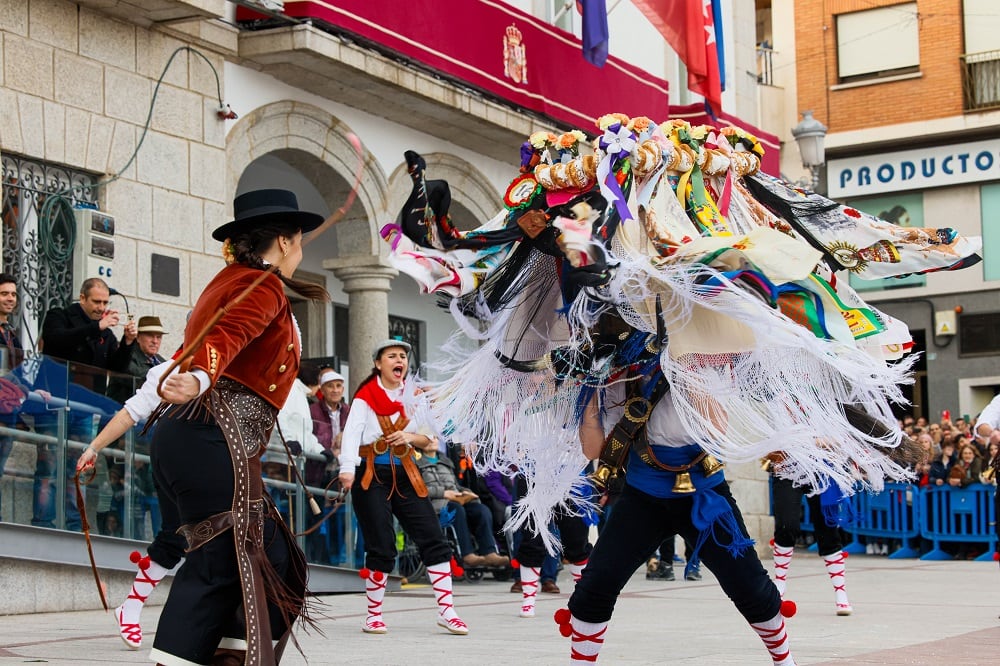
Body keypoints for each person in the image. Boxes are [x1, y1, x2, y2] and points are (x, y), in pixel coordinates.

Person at [146, 188, 328, 665]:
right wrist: (203, 375)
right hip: (210, 435)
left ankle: (231, 657)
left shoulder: (230, 279)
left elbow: (226, 332)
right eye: (302, 243)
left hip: (200, 438)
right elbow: (230, 333)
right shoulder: (260, 286)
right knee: (220, 564)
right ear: (286, 243)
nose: (301, 252)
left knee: (274, 562)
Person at [560, 378, 795, 665]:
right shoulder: (616, 372)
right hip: (642, 495)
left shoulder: (698, 355)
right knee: (595, 585)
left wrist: (685, 366)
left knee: (749, 585)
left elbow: (715, 432)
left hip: (703, 492)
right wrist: (589, 389)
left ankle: (785, 661)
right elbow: (594, 450)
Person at [338, 339, 469, 636]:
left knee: (434, 539)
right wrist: (347, 470)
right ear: (378, 364)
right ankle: (373, 615)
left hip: (407, 472)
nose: (400, 361)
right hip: (371, 474)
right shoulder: (364, 397)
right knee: (382, 545)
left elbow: (432, 441)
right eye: (392, 356)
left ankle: (448, 611)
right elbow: (351, 435)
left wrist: (409, 438)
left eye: (403, 357)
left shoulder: (416, 398)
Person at [76, 356, 189, 651]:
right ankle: (132, 608)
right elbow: (130, 413)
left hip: (216, 464)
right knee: (176, 536)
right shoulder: (169, 370)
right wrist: (93, 447)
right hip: (175, 460)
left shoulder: (231, 367)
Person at [33, 277, 137, 530]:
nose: (102, 307)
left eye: (105, 302)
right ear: (82, 299)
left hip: (84, 410)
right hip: (53, 403)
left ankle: (72, 522)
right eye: (96, 302)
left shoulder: (104, 332)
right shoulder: (60, 315)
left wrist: (127, 342)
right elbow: (57, 341)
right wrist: (97, 327)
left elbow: (116, 366)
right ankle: (43, 521)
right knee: (48, 466)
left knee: (75, 469)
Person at [768, 466, 853, 616]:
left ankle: (841, 591)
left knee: (828, 529)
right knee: (786, 525)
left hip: (819, 466)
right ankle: (780, 582)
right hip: (788, 466)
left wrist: (823, 441)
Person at [416, 438, 509, 569]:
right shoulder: (416, 464)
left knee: (481, 510)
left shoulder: (446, 461)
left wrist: (468, 493)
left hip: (456, 500)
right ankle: (467, 554)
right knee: (457, 509)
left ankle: (489, 552)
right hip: (436, 507)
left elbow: (456, 486)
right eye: (428, 438)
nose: (432, 440)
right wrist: (444, 493)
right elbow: (418, 489)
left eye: (435, 438)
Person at [307, 368, 349, 564]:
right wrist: (329, 449)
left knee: (339, 517)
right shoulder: (312, 410)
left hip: (341, 472)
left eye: (338, 386)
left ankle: (336, 558)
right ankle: (318, 560)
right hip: (318, 470)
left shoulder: (349, 411)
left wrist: (344, 441)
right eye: (330, 386)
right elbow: (310, 436)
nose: (335, 390)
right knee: (315, 517)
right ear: (322, 389)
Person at [0, 272, 23, 520]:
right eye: (4, 294)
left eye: (13, 294)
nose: (10, 299)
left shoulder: (12, 333)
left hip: (8, 410)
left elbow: (17, 371)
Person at [107, 316, 168, 404]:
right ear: (138, 337)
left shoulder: (161, 361)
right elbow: (139, 376)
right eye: (150, 336)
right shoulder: (127, 356)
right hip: (120, 410)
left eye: (158, 337)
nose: (155, 341)